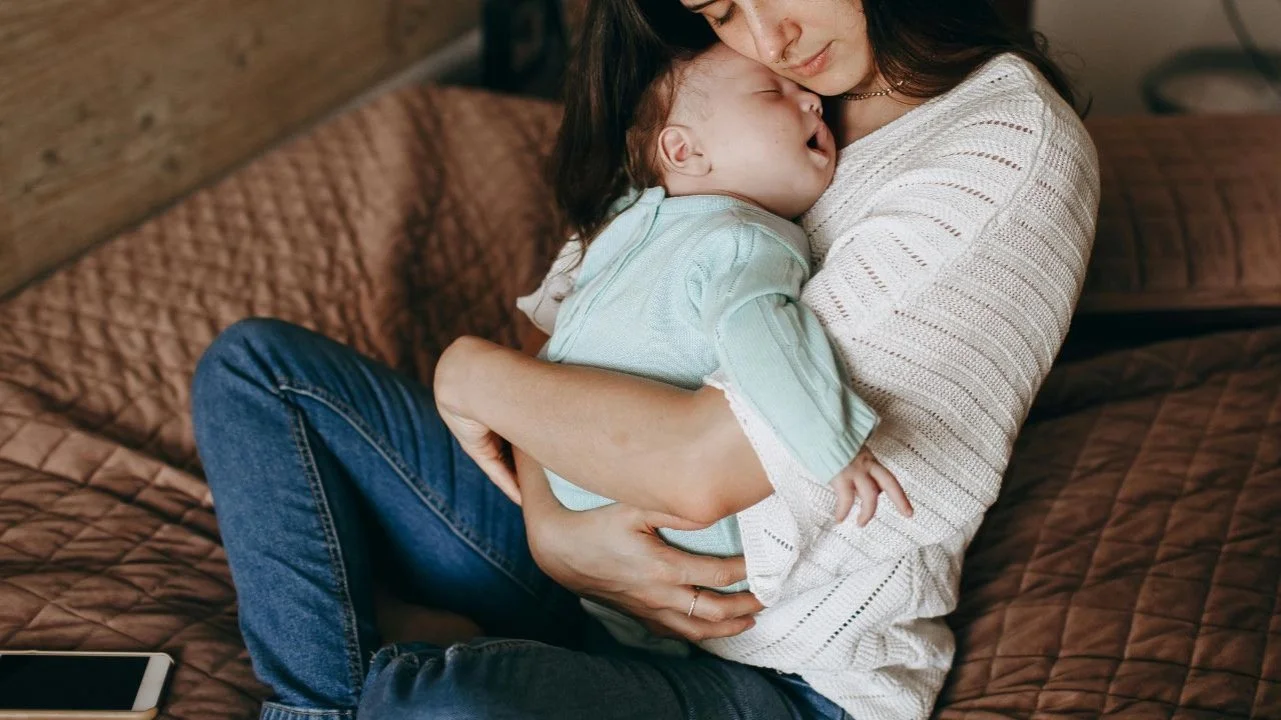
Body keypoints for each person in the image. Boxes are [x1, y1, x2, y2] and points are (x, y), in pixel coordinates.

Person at [190, 1, 1100, 719]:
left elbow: (701, 472)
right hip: (577, 569)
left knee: (444, 708)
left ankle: (433, 677)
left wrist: (465, 371)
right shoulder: (713, 103)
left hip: (772, 665)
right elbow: (563, 355)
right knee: (257, 370)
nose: (770, 39)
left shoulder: (1001, 145)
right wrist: (555, 535)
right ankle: (317, 709)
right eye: (717, 8)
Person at [486, 41, 912, 658]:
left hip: (668, 538)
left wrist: (833, 443)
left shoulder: (746, 239)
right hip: (585, 511)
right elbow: (548, 325)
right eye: (774, 93)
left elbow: (763, 332)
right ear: (684, 150)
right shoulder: (636, 215)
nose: (814, 99)